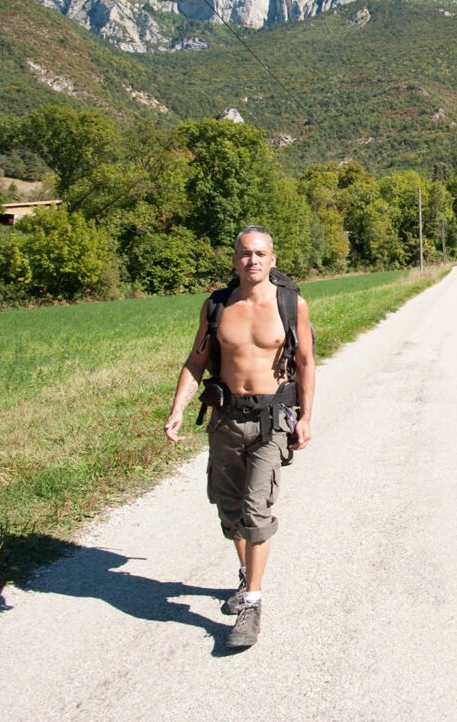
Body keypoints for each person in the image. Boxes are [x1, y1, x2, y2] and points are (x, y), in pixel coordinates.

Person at [163, 226, 314, 649]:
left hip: (271, 421)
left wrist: (306, 417)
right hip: (224, 420)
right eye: (245, 253)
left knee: (255, 510)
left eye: (260, 253)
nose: (253, 261)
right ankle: (248, 573)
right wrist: (177, 408)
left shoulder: (290, 305)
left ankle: (251, 602)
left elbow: (305, 363)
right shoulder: (216, 307)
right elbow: (196, 362)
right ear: (234, 259)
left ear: (273, 258)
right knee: (230, 512)